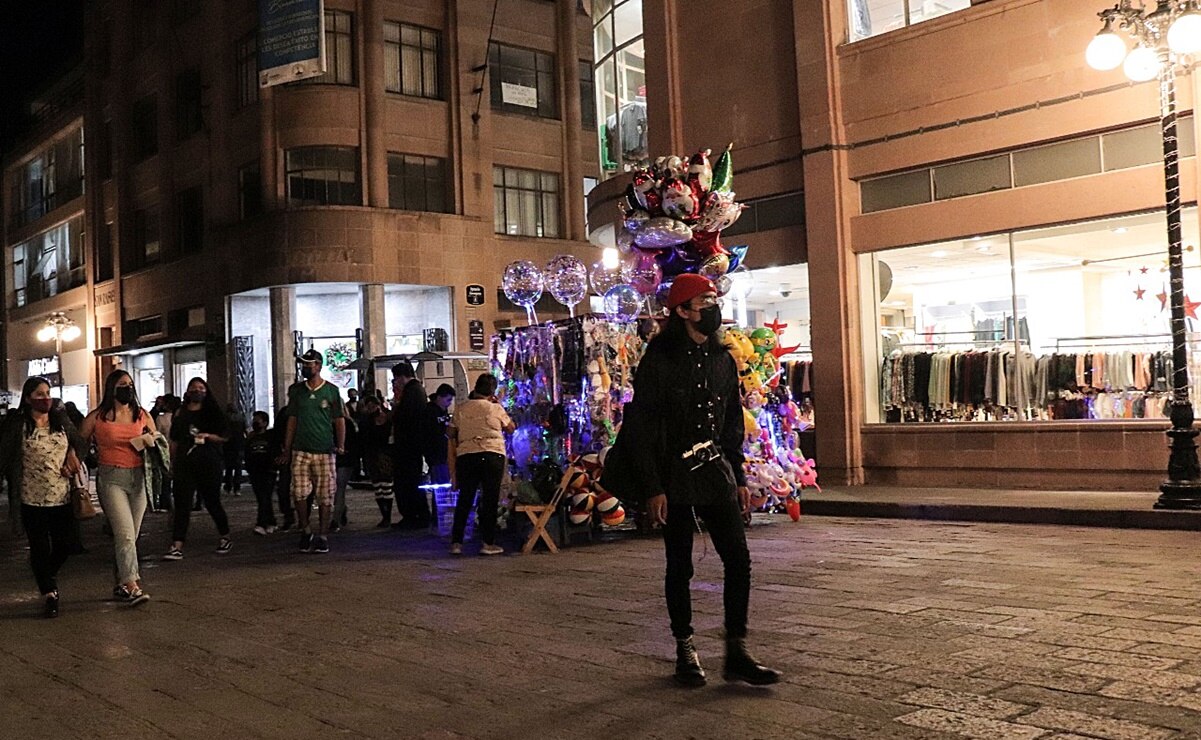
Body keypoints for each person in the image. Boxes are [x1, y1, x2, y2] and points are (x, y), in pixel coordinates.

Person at [625, 273, 779, 688]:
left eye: (714, 299)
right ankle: (685, 647)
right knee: (680, 565)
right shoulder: (659, 360)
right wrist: (653, 486)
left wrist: (740, 474)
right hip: (673, 474)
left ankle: (737, 650)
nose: (713, 307)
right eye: (704, 301)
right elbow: (641, 427)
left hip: (715, 471)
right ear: (682, 311)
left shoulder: (722, 359)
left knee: (738, 559)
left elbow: (731, 422)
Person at [0, 377, 85, 617]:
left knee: (65, 544)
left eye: (47, 392)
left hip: (62, 495)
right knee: (38, 545)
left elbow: (81, 443)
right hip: (30, 497)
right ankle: (49, 593)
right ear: (27, 398)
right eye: (39, 394)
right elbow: (4, 455)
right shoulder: (18, 425)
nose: (45, 397)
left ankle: (45, 572)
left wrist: (73, 455)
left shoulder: (61, 420)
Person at [79, 370, 156, 606]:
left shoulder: (142, 415)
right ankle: (132, 584)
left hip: (139, 477)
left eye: (130, 384)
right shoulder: (98, 417)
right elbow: (80, 443)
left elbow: (156, 440)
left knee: (130, 536)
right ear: (112, 388)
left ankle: (121, 583)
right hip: (111, 477)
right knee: (123, 533)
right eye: (122, 384)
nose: (127, 388)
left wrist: (150, 441)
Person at [280, 349, 345, 554]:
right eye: (304, 364)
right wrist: (287, 448)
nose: (305, 367)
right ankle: (306, 528)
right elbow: (292, 420)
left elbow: (339, 419)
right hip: (301, 450)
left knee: (325, 495)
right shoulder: (296, 391)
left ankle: (323, 535)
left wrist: (340, 444)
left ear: (318, 365)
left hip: (324, 450)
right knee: (298, 491)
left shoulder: (332, 391)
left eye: (309, 364)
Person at [163, 378, 232, 560]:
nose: (197, 391)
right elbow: (175, 440)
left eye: (201, 388)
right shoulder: (181, 413)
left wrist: (209, 436)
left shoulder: (213, 412)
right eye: (194, 388)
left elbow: (225, 437)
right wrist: (171, 462)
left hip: (209, 462)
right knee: (182, 504)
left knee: (212, 501)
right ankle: (177, 544)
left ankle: (225, 535)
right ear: (187, 392)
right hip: (185, 464)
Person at [447, 374, 514, 556]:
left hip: (467, 456)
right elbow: (510, 427)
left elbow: (450, 432)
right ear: (492, 392)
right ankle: (487, 543)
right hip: (493, 455)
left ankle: (456, 542)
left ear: (475, 388)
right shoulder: (495, 408)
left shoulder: (460, 408)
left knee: (465, 498)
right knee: (490, 499)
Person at [391, 361, 429, 529]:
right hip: (412, 445)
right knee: (412, 480)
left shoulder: (412, 392)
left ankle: (413, 515)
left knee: (407, 481)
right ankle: (417, 514)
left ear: (402, 377)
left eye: (396, 378)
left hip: (408, 446)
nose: (395, 382)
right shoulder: (416, 390)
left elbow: (405, 418)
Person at [360, 395, 395, 527]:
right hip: (374, 455)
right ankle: (385, 515)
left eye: (372, 406)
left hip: (384, 455)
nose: (371, 409)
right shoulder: (367, 420)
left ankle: (387, 516)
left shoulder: (387, 418)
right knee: (378, 486)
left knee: (386, 485)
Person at [245, 411, 277, 535]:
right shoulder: (251, 438)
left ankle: (261, 523)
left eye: (258, 420)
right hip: (255, 471)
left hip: (268, 471)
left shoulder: (270, 437)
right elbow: (247, 453)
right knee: (262, 498)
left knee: (265, 496)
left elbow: (274, 452)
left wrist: (274, 466)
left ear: (264, 423)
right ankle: (271, 521)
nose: (255, 422)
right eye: (254, 420)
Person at [331, 406, 360, 532]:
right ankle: (340, 510)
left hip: (345, 459)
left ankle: (335, 519)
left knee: (339, 487)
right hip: (337, 458)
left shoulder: (348, 423)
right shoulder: (329, 422)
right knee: (336, 489)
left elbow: (354, 443)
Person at [422, 384, 456, 486]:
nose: (449, 404)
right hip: (435, 454)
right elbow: (430, 433)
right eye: (448, 400)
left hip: (444, 453)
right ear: (439, 397)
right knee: (440, 484)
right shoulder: (430, 411)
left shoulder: (443, 411)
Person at [223, 403, 246, 496]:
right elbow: (245, 429)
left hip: (228, 444)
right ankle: (237, 487)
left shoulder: (225, 417)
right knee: (238, 467)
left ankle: (228, 486)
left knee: (229, 467)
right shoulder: (241, 417)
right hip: (239, 443)